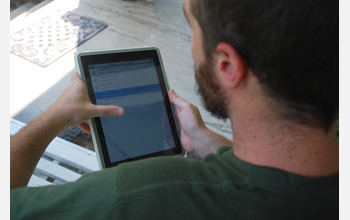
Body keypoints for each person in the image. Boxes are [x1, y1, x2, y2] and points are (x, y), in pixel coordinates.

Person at [10, 0, 339, 219]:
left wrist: (52, 118)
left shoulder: (138, 194)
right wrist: (203, 140)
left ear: (227, 65)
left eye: (192, 28)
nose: (192, 43)